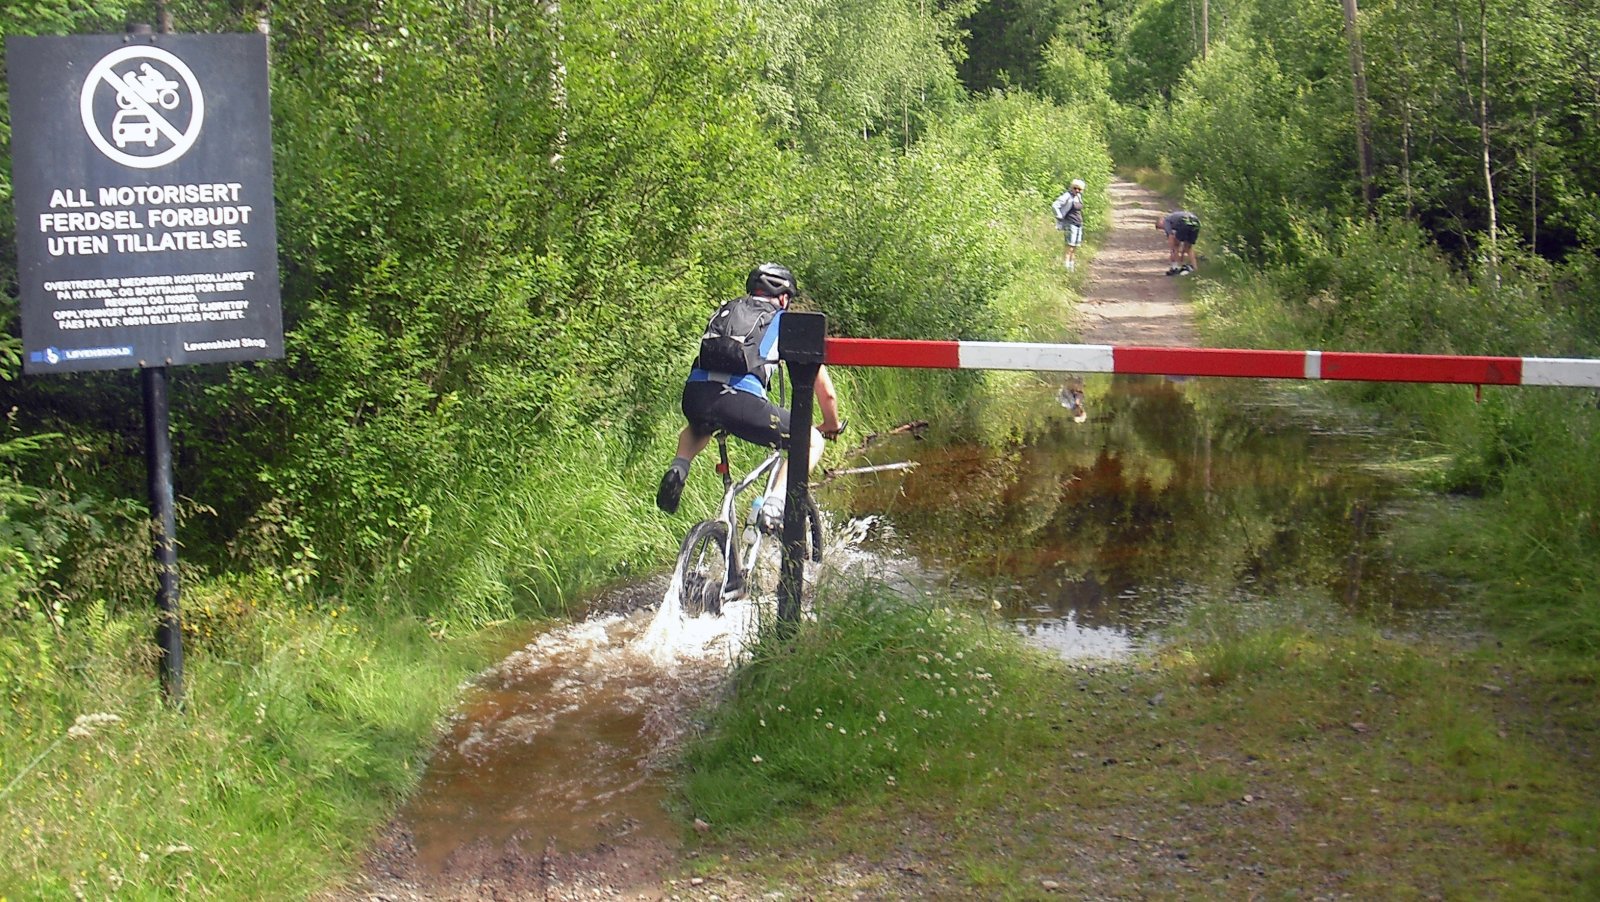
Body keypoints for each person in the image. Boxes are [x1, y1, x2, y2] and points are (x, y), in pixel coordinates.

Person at [656, 263, 843, 533]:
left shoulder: (726, 309)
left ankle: (679, 467)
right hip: (741, 403)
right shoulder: (785, 323)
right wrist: (830, 425)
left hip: (696, 396)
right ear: (784, 297)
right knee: (811, 441)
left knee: (698, 427)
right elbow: (826, 393)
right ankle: (775, 504)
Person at [1052, 179, 1087, 270]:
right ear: (1072, 187)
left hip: (1078, 224)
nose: (1077, 191)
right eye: (1075, 188)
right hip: (1070, 223)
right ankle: (1066, 268)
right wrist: (1059, 216)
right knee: (1069, 246)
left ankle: (1071, 267)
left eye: (1079, 189)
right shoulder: (1067, 196)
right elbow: (1055, 205)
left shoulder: (1078, 197)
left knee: (1075, 247)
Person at [1156, 210, 1201, 275]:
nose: (1163, 229)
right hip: (1196, 222)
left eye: (1161, 227)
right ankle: (1195, 268)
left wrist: (1172, 251)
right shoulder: (1173, 218)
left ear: (1161, 221)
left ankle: (1175, 267)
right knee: (1189, 247)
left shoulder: (1166, 220)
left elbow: (1171, 236)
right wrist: (1182, 254)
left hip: (1184, 222)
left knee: (1175, 245)